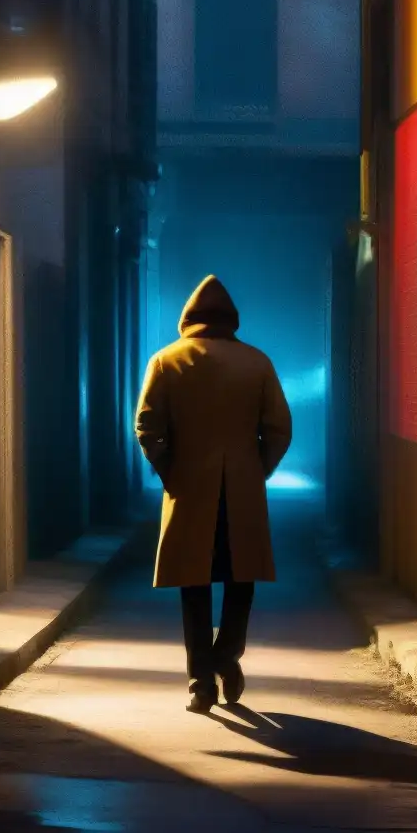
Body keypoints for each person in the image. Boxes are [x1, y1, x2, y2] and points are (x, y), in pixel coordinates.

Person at [134, 275, 292, 714]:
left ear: (188, 318)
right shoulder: (257, 363)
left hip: (189, 491)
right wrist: (258, 468)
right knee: (241, 579)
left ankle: (200, 682)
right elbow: (279, 429)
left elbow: (147, 426)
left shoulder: (166, 361)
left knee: (194, 584)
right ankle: (227, 654)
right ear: (231, 319)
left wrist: (170, 469)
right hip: (242, 491)